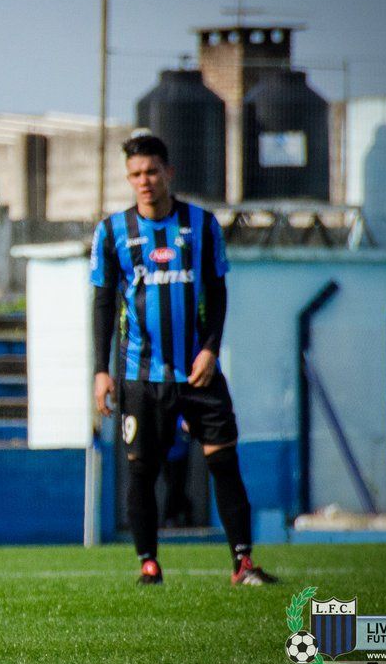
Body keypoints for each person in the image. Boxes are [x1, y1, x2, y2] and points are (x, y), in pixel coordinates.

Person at [90, 133, 276, 586]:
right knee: (142, 471)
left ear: (169, 172)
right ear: (127, 178)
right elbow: (101, 303)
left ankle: (243, 563)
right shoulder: (112, 232)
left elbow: (217, 292)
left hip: (198, 368)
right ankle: (149, 564)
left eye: (152, 171)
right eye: (135, 174)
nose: (144, 181)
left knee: (223, 461)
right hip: (140, 375)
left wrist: (211, 347)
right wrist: (101, 370)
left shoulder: (202, 225)